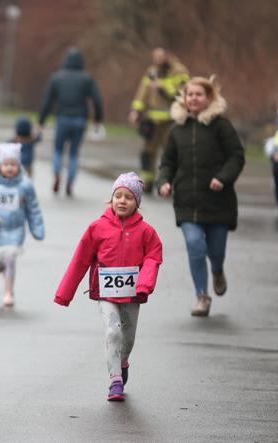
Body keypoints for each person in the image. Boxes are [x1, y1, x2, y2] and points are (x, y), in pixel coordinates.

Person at [54, 172, 162, 402]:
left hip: (133, 294)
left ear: (137, 203)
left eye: (129, 197)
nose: (122, 201)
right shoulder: (97, 228)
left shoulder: (147, 232)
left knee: (128, 339)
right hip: (106, 294)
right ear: (111, 199)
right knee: (113, 333)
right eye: (118, 196)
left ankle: (123, 362)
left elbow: (154, 258)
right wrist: (65, 294)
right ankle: (115, 381)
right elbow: (80, 260)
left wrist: (144, 284)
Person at [157, 76, 245, 317]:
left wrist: (223, 178)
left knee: (215, 251)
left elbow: (236, 156)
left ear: (209, 98)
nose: (194, 98)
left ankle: (217, 270)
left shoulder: (221, 126)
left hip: (218, 202)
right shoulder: (177, 130)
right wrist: (164, 182)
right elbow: (168, 162)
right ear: (184, 99)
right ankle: (202, 296)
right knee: (195, 245)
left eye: (199, 94)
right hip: (187, 202)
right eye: (190, 94)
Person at [0, 143, 45, 308]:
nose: (9, 168)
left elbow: (33, 208)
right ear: (0, 165)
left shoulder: (25, 185)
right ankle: (2, 270)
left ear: (18, 166)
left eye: (13, 164)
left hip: (15, 230)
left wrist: (37, 228)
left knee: (11, 258)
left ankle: (8, 292)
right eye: (6, 164)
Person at [37, 46, 103, 196]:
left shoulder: (57, 78)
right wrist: (97, 119)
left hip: (62, 119)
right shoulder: (87, 79)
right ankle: (70, 183)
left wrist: (41, 121)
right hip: (80, 120)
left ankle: (57, 173)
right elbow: (97, 100)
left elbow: (47, 101)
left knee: (58, 150)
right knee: (73, 153)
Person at [128, 47, 189, 193]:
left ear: (168, 56)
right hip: (152, 120)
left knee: (171, 152)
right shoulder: (152, 71)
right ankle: (147, 182)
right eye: (155, 57)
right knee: (147, 152)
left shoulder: (179, 70)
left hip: (171, 120)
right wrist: (136, 110)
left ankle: (170, 183)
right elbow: (143, 92)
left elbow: (184, 92)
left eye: (160, 57)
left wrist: (163, 86)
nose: (157, 60)